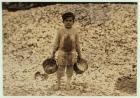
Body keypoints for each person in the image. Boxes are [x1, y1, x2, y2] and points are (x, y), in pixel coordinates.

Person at [51, 12, 82, 90]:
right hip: (62, 53)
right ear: (63, 22)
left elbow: (77, 44)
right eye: (66, 20)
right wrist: (53, 53)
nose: (68, 22)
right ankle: (58, 83)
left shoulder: (75, 32)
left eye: (70, 20)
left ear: (73, 22)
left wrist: (80, 54)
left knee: (70, 68)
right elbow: (56, 43)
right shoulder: (60, 31)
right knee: (60, 68)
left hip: (71, 53)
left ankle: (68, 83)